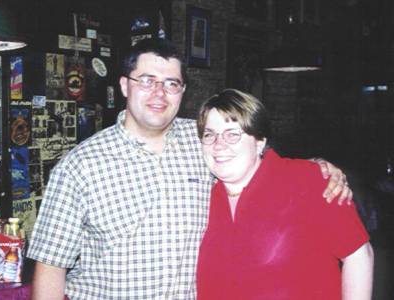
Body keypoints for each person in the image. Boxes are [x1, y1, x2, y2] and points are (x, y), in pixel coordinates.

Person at [27, 38, 352, 300]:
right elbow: (50, 267)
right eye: (147, 81)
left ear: (183, 91)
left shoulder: (206, 142)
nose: (159, 93)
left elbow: (262, 163)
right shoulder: (79, 166)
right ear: (125, 86)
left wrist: (318, 167)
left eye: (171, 83)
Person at [195, 89, 374, 300]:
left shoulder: (308, 180)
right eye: (209, 135)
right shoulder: (205, 195)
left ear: (259, 141)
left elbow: (359, 256)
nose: (219, 145)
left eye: (232, 134)